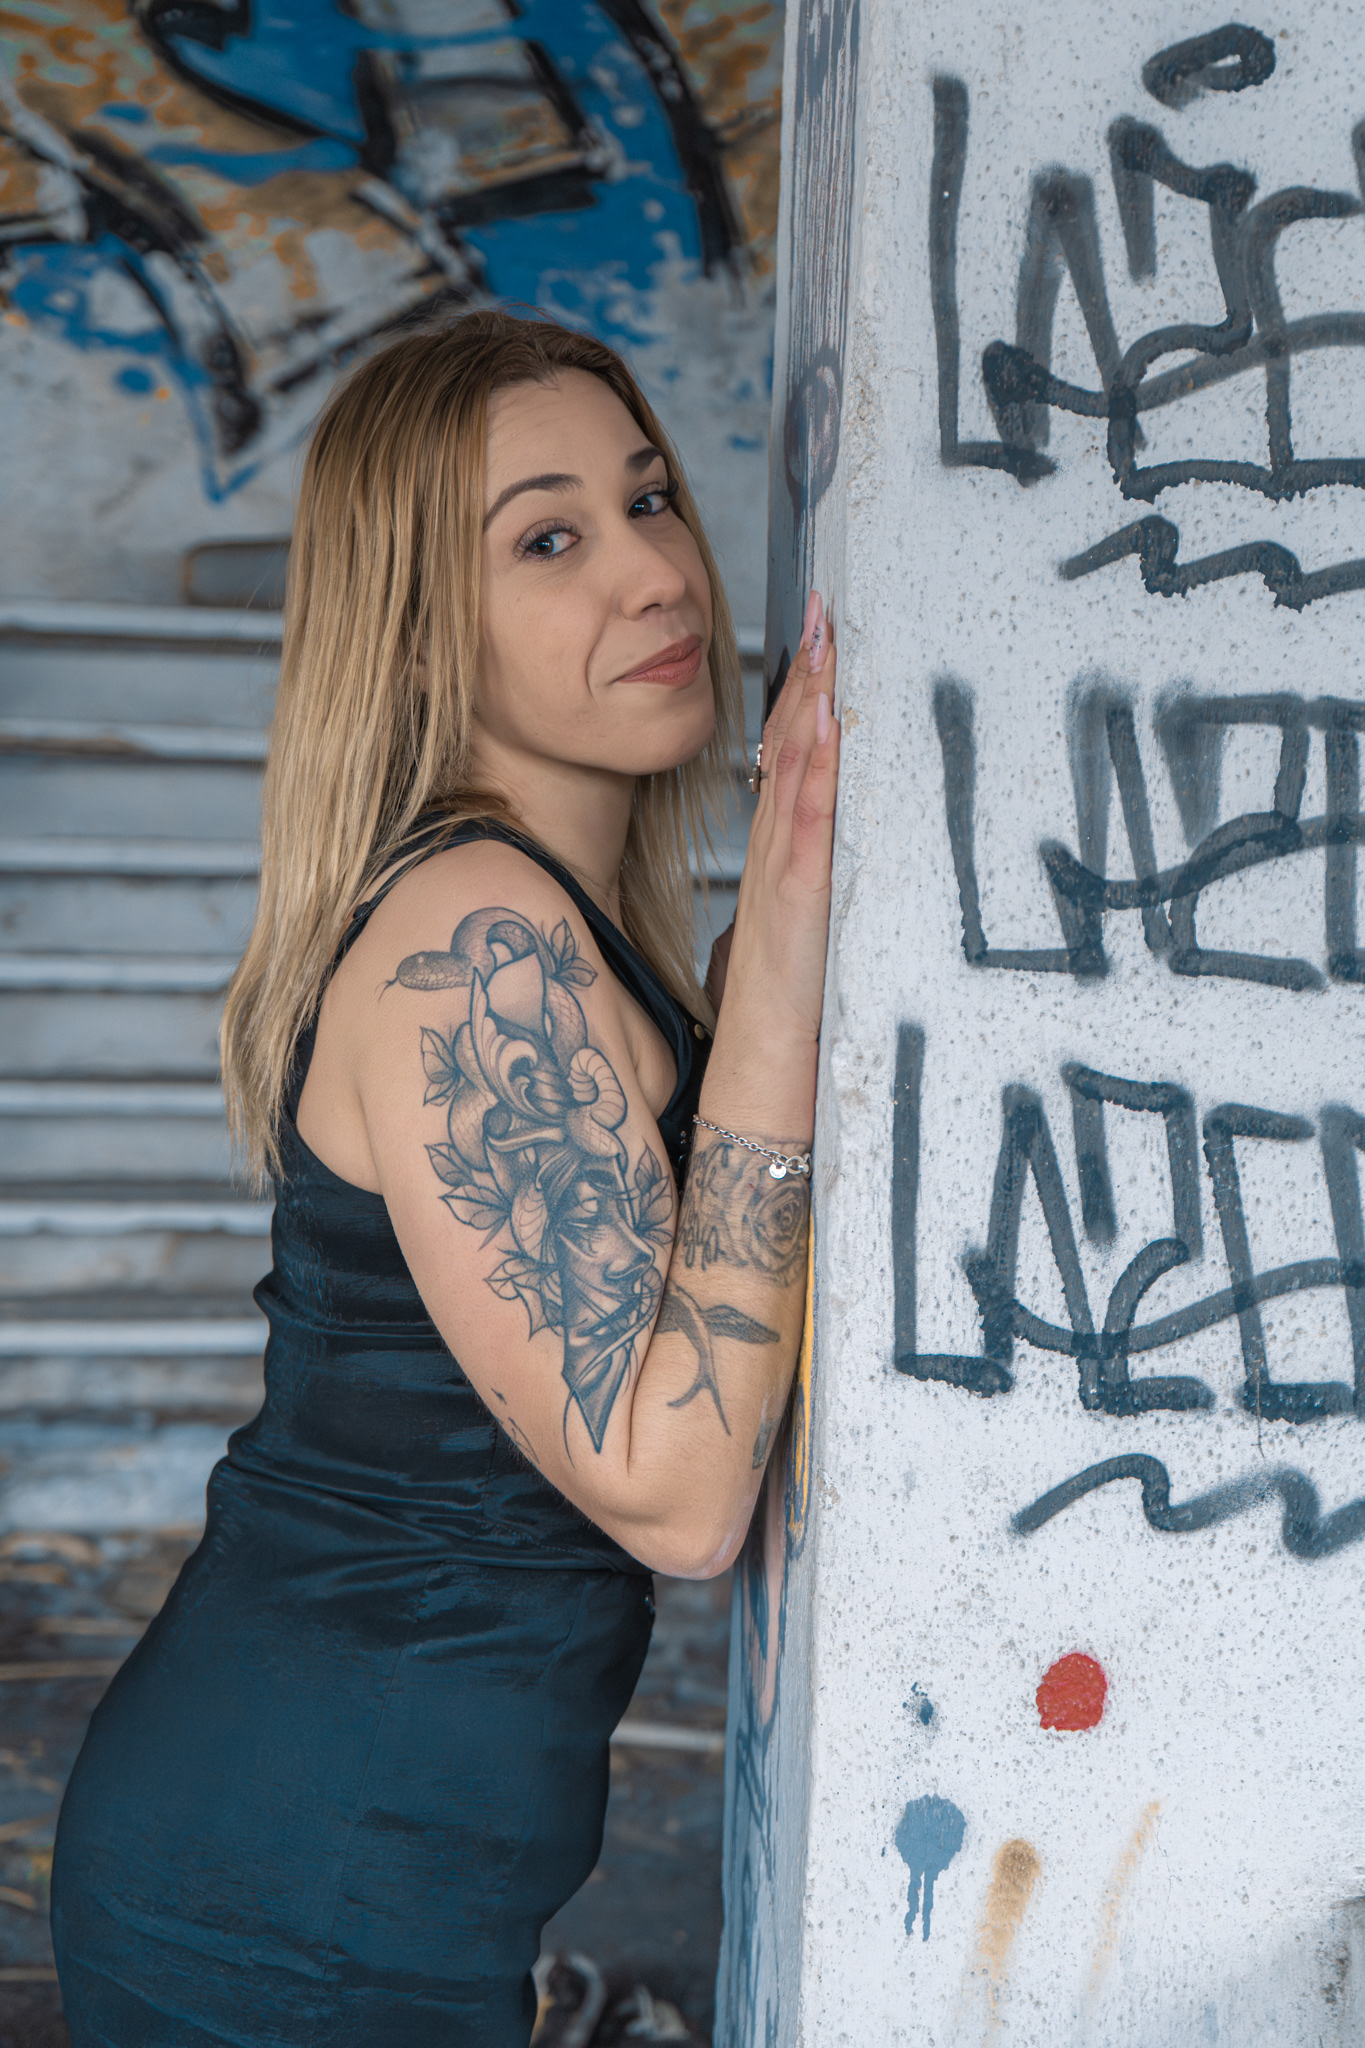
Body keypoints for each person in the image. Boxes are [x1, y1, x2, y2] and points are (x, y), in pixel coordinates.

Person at [49, 309, 839, 2044]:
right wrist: (781, 989)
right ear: (418, 629)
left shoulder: (551, 926)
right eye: (546, 540)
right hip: (286, 1906)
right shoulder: (470, 939)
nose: (652, 572)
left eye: (647, 499)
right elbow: (675, 1496)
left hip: (354, 1870)